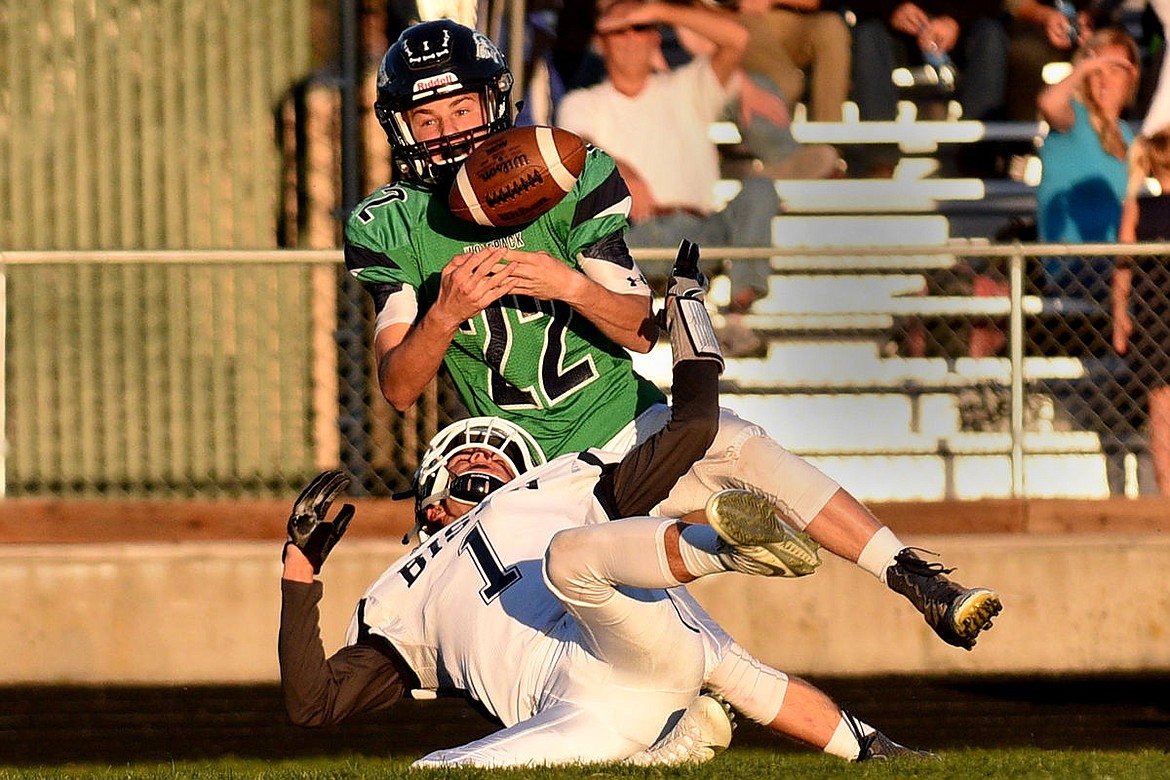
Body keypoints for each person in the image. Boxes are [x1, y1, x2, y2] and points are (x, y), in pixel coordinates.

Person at [344, 17, 1002, 654]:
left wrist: (566, 284)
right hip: (530, 481)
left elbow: (640, 331)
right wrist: (445, 312)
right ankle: (724, 557)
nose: (446, 133)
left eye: (459, 111)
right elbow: (400, 386)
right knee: (640, 662)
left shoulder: (570, 178)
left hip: (628, 427)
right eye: (426, 120)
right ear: (400, 128)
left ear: (493, 103)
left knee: (738, 443)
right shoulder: (390, 224)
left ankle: (917, 577)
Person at [280, 244, 937, 766]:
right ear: (429, 485)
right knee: (433, 770)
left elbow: (691, 430)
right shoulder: (399, 598)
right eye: (465, 456)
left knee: (572, 556)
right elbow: (313, 706)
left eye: (490, 453)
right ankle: (662, 753)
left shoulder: (552, 493)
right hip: (585, 717)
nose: (479, 461)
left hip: (618, 634)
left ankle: (730, 545)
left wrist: (688, 315)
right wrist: (299, 573)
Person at [554, 0, 782, 357]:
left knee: (760, 189)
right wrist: (621, 172)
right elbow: (573, 149)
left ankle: (736, 319)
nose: (630, 37)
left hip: (699, 236)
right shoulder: (582, 102)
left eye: (640, 28)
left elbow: (737, 38)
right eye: (618, 29)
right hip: (629, 237)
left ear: (656, 38)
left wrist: (658, 9)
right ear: (601, 41)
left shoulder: (686, 88)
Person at [1036, 25, 1140, 300]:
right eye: (1097, 71)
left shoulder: (1128, 136)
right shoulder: (1074, 120)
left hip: (1118, 265)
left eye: (1114, 70)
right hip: (1075, 267)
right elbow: (1048, 103)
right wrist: (1084, 66)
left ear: (1132, 77)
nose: (1104, 80)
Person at [847, 0, 1009, 175]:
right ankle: (880, 160)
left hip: (963, 29)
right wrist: (891, 9)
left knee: (991, 35)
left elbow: (996, 5)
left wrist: (954, 20)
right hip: (894, 31)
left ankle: (978, 160)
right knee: (868, 34)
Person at [1114, 130, 1170, 495]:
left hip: (1153, 315)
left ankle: (1167, 487)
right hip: (1156, 315)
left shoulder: (1139, 206)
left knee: (1161, 409)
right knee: (1161, 407)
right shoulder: (1138, 206)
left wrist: (1120, 313)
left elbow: (1123, 264)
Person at [737, 0, 852, 123]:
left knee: (831, 28)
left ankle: (828, 132)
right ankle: (772, 131)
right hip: (740, 19)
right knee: (788, 83)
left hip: (790, 18)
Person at [1005, 0, 1095, 121]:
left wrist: (1092, 18)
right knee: (1026, 56)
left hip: (1089, 40)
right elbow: (1012, 4)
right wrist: (1045, 16)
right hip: (1031, 38)